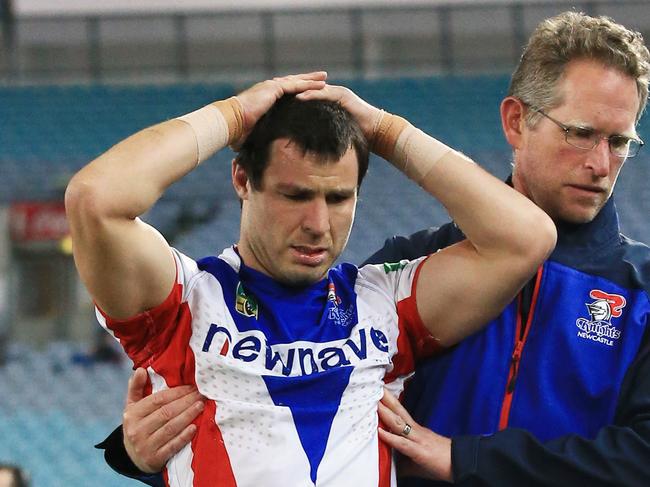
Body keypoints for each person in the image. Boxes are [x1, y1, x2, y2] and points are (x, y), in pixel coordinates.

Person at [96, 10, 650, 487]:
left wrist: (464, 459)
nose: (601, 163)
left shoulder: (643, 288)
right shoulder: (402, 273)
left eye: (620, 141)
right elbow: (292, 395)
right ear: (516, 121)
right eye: (580, 132)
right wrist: (139, 452)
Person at [65, 69, 554, 486]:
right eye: (295, 195)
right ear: (242, 180)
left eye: (339, 198)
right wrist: (233, 115)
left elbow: (525, 237)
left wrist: (384, 131)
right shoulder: (184, 304)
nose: (318, 225)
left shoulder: (384, 303)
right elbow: (95, 199)